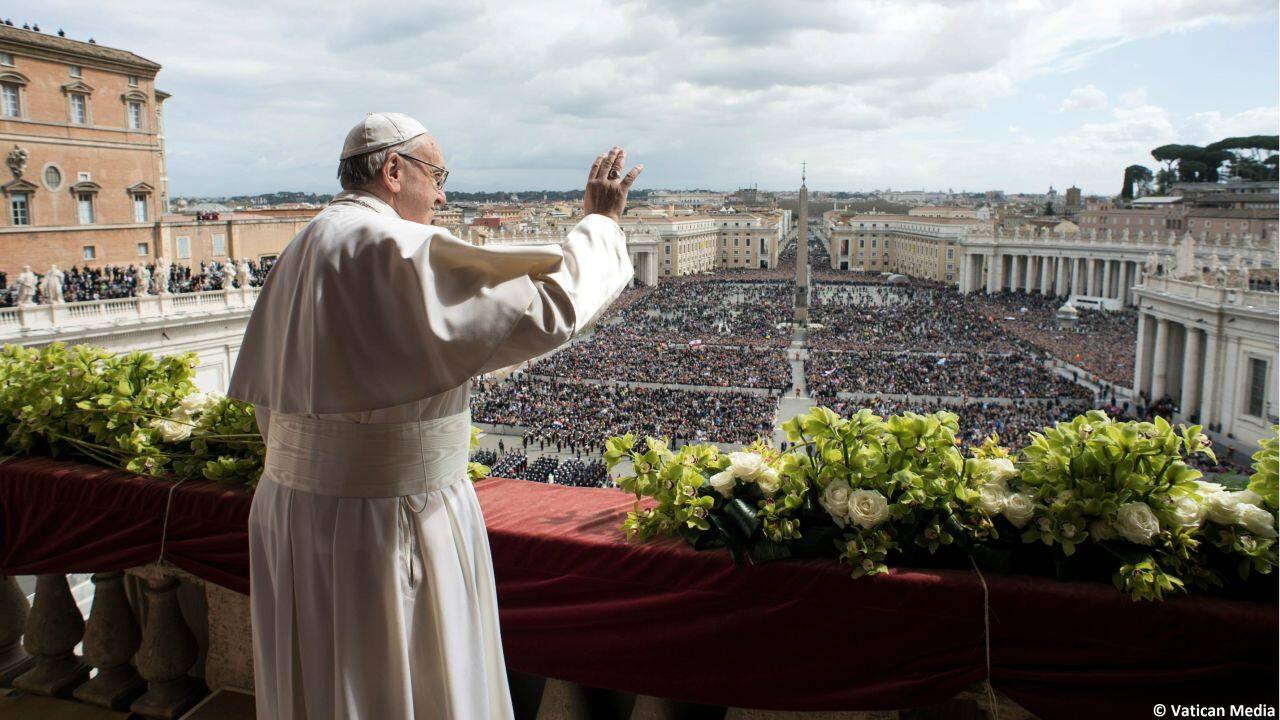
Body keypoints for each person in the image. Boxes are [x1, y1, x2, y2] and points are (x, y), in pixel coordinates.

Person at [227, 112, 641, 719]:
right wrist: (601, 223)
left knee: (315, 677)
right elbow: (548, 308)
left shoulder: (303, 243)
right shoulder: (391, 245)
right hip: (389, 514)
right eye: (438, 174)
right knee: (404, 678)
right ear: (394, 170)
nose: (445, 194)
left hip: (291, 507)